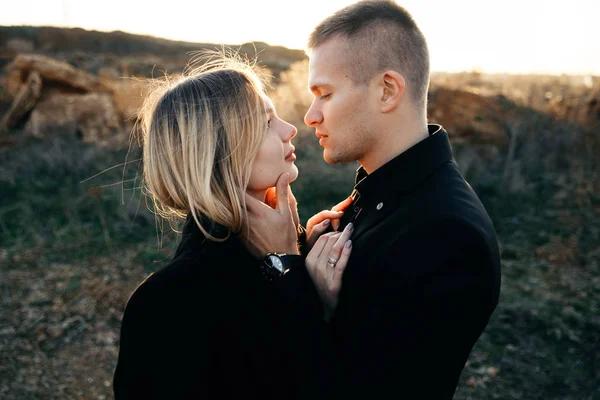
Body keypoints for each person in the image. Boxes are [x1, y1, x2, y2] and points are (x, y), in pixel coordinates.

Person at [245, 1, 502, 398]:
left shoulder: (447, 236)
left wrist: (288, 272)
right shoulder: (380, 195)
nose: (310, 116)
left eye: (325, 94)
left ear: (387, 91)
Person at [112, 53, 354, 399]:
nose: (290, 130)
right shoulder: (166, 305)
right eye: (265, 123)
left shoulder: (289, 255)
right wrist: (288, 270)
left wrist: (297, 252)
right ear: (217, 151)